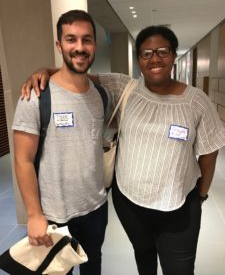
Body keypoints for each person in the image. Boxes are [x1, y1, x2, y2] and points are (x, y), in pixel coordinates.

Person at [21, 25, 225, 275]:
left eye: (162, 51)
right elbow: (76, 75)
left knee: (179, 268)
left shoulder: (197, 102)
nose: (155, 59)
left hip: (178, 207)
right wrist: (45, 71)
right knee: (144, 257)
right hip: (131, 204)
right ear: (139, 59)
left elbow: (209, 152)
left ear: (173, 55)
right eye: (146, 53)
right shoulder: (124, 87)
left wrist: (201, 195)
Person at [13, 10, 110, 275]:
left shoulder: (101, 95)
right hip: (54, 213)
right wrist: (34, 215)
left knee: (94, 266)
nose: (79, 47)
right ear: (59, 45)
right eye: (71, 39)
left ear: (94, 45)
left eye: (86, 40)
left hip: (96, 208)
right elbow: (22, 160)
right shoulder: (35, 96)